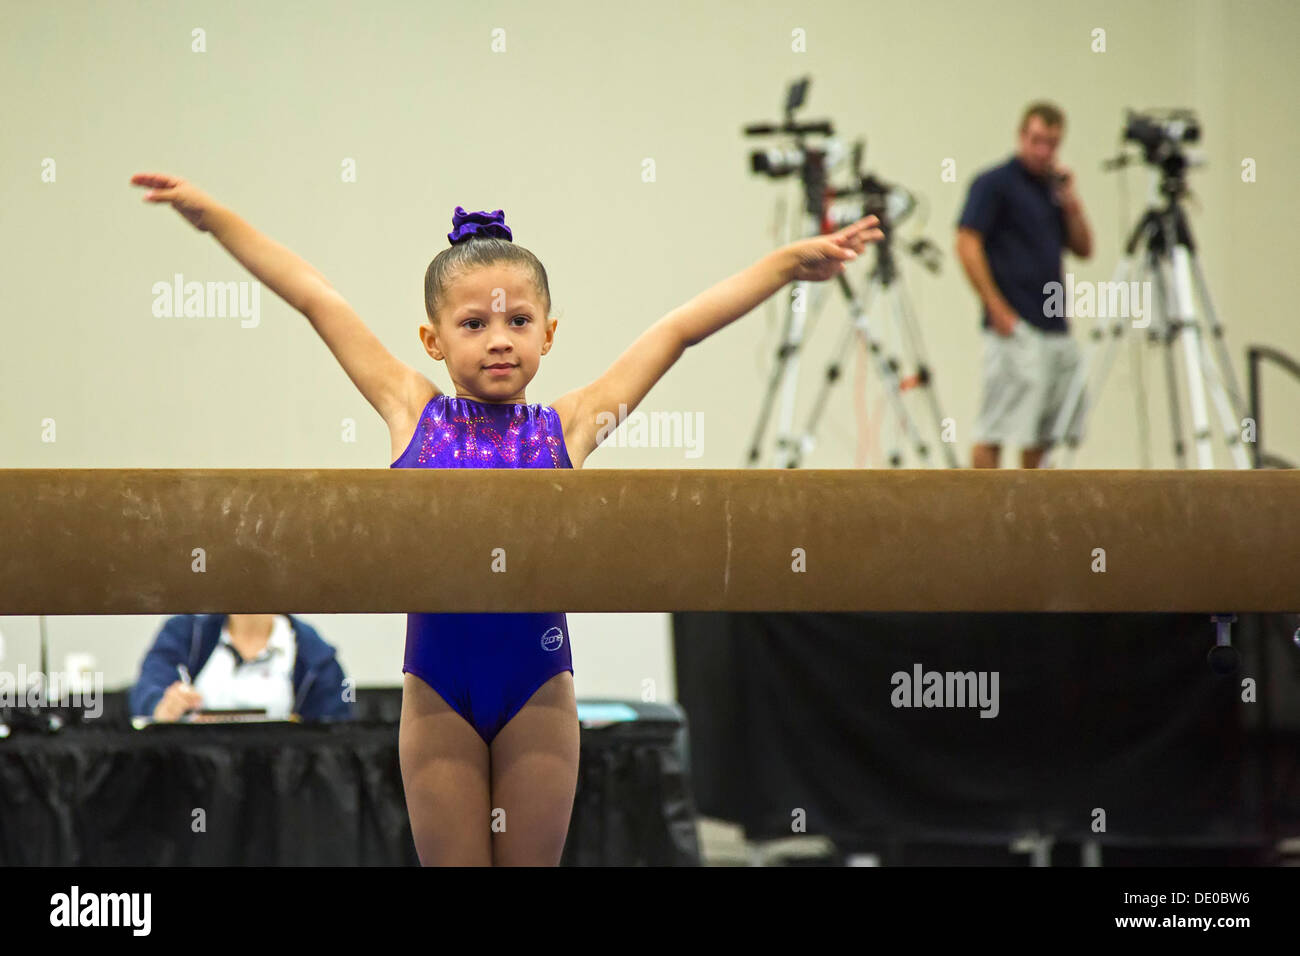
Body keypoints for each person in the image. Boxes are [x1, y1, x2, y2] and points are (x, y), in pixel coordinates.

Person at [130, 172, 881, 865]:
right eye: (474, 323)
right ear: (433, 340)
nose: (498, 338)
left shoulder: (570, 426)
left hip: (539, 688)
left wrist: (784, 268)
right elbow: (315, 296)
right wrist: (215, 219)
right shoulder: (411, 411)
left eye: (519, 320)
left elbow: (677, 330)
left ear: (548, 334)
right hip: (437, 692)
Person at [956, 101, 1094, 469]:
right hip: (1013, 327)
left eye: (1051, 143)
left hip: (1054, 326)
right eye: (1036, 141)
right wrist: (996, 308)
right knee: (995, 427)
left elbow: (1084, 248)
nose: (1043, 151)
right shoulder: (994, 184)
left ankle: (1032, 520)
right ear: (1021, 136)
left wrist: (1071, 202)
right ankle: (980, 519)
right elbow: (967, 243)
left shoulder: (1052, 191)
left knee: (1043, 433)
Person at [129, 613, 352, 721]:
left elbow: (333, 734)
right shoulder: (185, 633)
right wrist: (163, 707)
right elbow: (148, 688)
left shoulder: (314, 654)